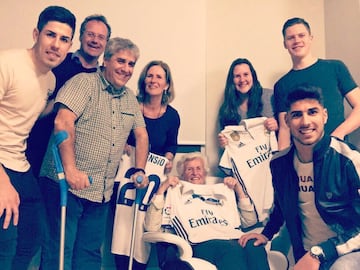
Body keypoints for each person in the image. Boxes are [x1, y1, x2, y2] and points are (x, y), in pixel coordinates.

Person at [39, 37, 149, 270]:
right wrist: (70, 170)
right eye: (121, 61)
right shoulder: (84, 83)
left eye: (131, 64)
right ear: (106, 60)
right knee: (59, 255)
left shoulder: (130, 98)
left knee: (89, 257)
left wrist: (140, 169)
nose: (126, 69)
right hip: (65, 185)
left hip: (100, 192)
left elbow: (141, 135)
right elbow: (62, 122)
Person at [239, 84, 360, 270]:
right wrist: (266, 233)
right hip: (306, 254)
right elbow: (281, 206)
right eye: (296, 115)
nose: (305, 122)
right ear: (286, 120)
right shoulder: (279, 164)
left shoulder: (348, 159)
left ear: (324, 116)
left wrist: (320, 252)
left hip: (347, 251)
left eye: (312, 112)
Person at [0, 6, 75, 270]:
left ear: (70, 45)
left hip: (18, 164)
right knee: (6, 244)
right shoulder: (7, 63)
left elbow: (34, 109)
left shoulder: (51, 81)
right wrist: (2, 183)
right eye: (50, 35)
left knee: (32, 237)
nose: (56, 45)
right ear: (36, 33)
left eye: (64, 39)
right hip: (1, 166)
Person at [144, 152, 270, 270]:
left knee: (254, 246)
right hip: (200, 242)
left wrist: (238, 189)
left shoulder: (221, 191)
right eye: (189, 169)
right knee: (231, 250)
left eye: (198, 168)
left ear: (205, 172)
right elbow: (151, 226)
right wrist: (162, 189)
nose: (194, 173)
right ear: (182, 175)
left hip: (231, 237)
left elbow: (250, 221)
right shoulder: (175, 192)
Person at [113, 60, 180, 269]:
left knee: (144, 228)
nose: (153, 80)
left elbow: (171, 145)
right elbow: (117, 130)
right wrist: (123, 143)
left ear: (167, 84)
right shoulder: (131, 104)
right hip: (126, 177)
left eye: (159, 77)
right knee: (121, 230)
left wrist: (168, 158)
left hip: (152, 181)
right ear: (144, 80)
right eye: (150, 76)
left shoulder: (172, 115)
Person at [27, 14, 111, 177]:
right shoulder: (57, 61)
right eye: (90, 34)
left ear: (106, 43)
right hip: (38, 142)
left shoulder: (103, 79)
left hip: (73, 155)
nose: (95, 40)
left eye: (101, 37)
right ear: (80, 36)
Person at [273, 17, 360, 150]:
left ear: (310, 38)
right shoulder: (281, 85)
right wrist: (280, 163)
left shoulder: (335, 67)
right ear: (285, 43)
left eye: (301, 35)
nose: (297, 40)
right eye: (291, 38)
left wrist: (338, 134)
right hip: (303, 161)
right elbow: (285, 130)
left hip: (338, 153)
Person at [217, 58, 278, 147]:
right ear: (232, 80)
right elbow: (229, 147)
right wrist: (224, 143)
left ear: (253, 76)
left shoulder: (270, 96)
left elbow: (288, 127)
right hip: (244, 159)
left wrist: (277, 126)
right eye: (237, 76)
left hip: (271, 156)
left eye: (246, 74)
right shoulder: (226, 109)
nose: (242, 80)